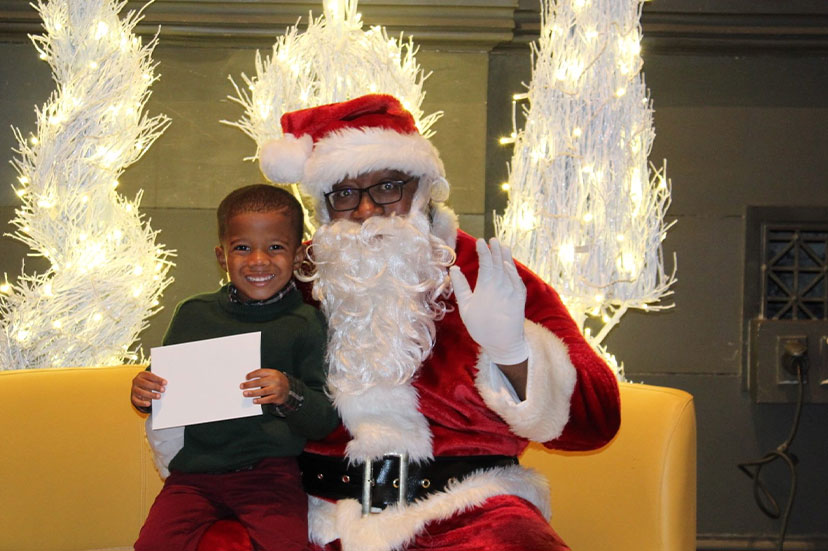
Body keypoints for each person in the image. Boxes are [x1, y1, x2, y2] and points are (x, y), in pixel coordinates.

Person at [255, 94, 622, 551]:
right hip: (314, 514)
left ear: (423, 188)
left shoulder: (482, 272)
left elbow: (598, 420)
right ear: (325, 206)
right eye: (346, 194)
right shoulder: (295, 276)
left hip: (463, 510)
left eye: (388, 187)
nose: (367, 210)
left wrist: (513, 353)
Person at [130, 184, 339, 551]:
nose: (258, 260)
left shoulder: (306, 322)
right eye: (242, 248)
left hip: (269, 476)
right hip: (192, 476)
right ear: (221, 255)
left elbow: (324, 419)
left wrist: (289, 393)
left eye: (275, 247)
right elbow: (162, 388)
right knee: (152, 545)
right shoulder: (194, 313)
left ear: (297, 255)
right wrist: (143, 393)